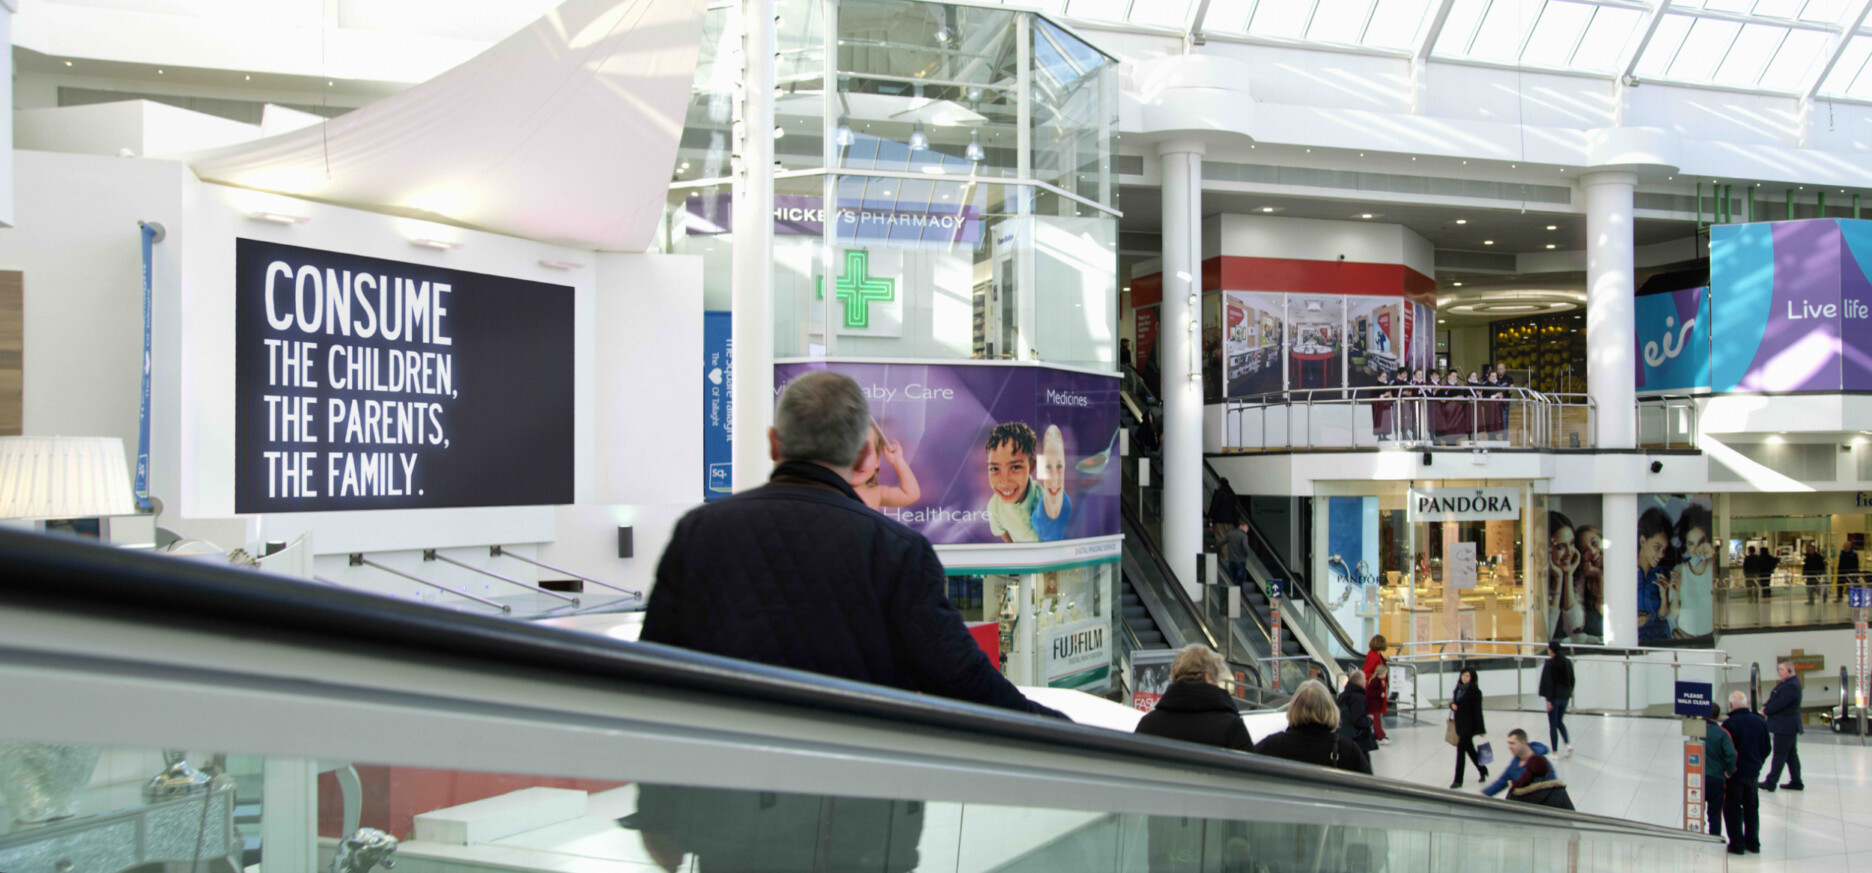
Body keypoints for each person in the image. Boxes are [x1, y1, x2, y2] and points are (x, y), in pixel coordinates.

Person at [637, 371, 1065, 873]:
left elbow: (654, 684)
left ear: (775, 445)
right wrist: (1062, 735)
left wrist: (657, 816)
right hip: (862, 833)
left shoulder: (698, 534)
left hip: (735, 830)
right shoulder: (897, 552)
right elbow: (963, 680)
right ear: (865, 458)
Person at [1135, 644, 1254, 751]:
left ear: (1175, 677)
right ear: (1208, 677)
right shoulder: (1231, 727)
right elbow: (1252, 771)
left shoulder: (1148, 725)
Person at [1253, 680, 1372, 774]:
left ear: (1294, 707)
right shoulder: (1347, 749)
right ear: (1330, 709)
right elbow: (1370, 791)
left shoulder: (1271, 745)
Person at [1724, 690, 1771, 856]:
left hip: (1735, 774)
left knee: (1733, 807)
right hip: (1753, 772)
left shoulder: (1729, 724)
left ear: (1731, 705)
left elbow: (1727, 751)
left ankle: (1737, 844)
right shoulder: (1760, 722)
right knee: (1751, 808)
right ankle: (1753, 843)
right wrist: (1758, 764)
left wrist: (1728, 769)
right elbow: (1767, 747)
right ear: (1747, 704)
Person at [985, 421, 1040, 543]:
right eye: (994, 469)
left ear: (1031, 466)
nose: (1004, 482)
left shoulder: (1043, 501)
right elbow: (1007, 540)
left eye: (1015, 467)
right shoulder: (994, 507)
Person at [851, 422, 921, 511]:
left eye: (865, 452)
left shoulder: (876, 493)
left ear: (877, 460)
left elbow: (910, 494)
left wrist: (898, 461)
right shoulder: (829, 492)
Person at [1760, 660, 1804, 792]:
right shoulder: (1787, 684)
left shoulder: (1791, 686)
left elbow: (1780, 702)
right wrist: (1766, 706)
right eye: (1778, 669)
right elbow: (1775, 697)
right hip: (1786, 725)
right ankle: (1796, 781)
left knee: (1779, 754)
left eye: (1781, 669)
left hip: (1786, 726)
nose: (1779, 672)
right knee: (1790, 755)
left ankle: (1771, 782)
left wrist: (1766, 710)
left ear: (1790, 671)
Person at [1672, 504, 1715, 638]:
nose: (1697, 550)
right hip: (1685, 634)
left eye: (1701, 542)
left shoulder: (1714, 568)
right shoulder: (1679, 570)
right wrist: (1675, 593)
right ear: (1686, 545)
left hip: (1710, 635)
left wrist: (1714, 554)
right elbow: (1674, 612)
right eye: (1691, 544)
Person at [1502, 729, 1574, 809]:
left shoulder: (1515, 793)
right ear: (1547, 770)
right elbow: (1572, 814)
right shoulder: (1558, 792)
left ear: (1528, 770)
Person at [1636, 507, 1675, 641]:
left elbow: (1663, 615)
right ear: (1643, 541)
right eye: (1657, 547)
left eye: (1664, 550)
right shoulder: (1625, 573)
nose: (1661, 555)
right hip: (1634, 642)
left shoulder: (1663, 574)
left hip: (1661, 641)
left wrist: (1664, 597)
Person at [1030, 425, 1073, 542]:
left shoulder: (1068, 504)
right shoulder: (1037, 521)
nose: (1054, 478)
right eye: (1048, 467)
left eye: (1059, 466)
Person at [1480, 730, 1552, 797]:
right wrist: (1484, 794)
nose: (1509, 747)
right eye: (1509, 743)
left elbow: (1553, 786)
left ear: (1523, 743)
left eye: (1513, 743)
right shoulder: (1516, 761)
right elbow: (1502, 781)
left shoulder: (1541, 763)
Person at [1449, 667, 1488, 789]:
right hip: (1460, 724)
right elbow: (1454, 702)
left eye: (1467, 676)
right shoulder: (1458, 689)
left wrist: (1481, 729)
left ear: (1472, 678)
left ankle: (1458, 780)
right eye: (1463, 675)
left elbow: (1478, 711)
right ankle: (1482, 769)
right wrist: (1452, 705)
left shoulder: (1475, 692)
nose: (1464, 678)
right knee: (1470, 749)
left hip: (1469, 726)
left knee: (1461, 750)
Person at [1703, 703, 1737, 840]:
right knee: (1715, 813)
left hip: (1699, 778)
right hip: (1716, 778)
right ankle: (1714, 839)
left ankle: (1695, 836)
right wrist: (1729, 771)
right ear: (1718, 716)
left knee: (1696, 811)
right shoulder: (1722, 733)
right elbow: (1732, 754)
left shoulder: (1696, 731)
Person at [1547, 512, 1582, 642]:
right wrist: (1558, 579)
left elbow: (1575, 629)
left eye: (1572, 543)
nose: (1569, 552)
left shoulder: (1576, 578)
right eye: (1560, 547)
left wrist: (1567, 576)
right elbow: (1546, 635)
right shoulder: (1537, 581)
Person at [1537, 641, 1574, 758]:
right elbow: (1572, 679)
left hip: (1554, 698)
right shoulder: (1567, 662)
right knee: (1559, 721)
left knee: (1553, 724)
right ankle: (1567, 744)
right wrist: (1569, 692)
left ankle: (1554, 752)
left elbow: (1548, 683)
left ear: (1551, 650)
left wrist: (1548, 700)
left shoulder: (1550, 664)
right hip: (1565, 697)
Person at [1336, 669, 1378, 753]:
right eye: (1364, 679)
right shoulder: (1358, 698)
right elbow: (1359, 720)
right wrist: (1369, 719)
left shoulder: (1342, 696)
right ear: (1359, 682)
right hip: (1358, 740)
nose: (1366, 681)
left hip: (1344, 738)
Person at [1576, 524, 1605, 642]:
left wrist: (1599, 576)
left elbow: (1605, 612)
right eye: (1584, 551)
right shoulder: (1582, 581)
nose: (1592, 552)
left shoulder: (1618, 573)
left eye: (1594, 543)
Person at [1363, 635, 1391, 745]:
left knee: (1376, 714)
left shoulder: (1376, 654)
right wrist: (1378, 679)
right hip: (1375, 691)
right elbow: (1368, 672)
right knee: (1375, 714)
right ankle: (1379, 735)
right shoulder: (1374, 656)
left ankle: (1377, 733)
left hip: (1378, 689)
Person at [1223, 519, 1252, 588]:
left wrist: (1214, 548)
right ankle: (1239, 595)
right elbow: (1245, 547)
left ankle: (1231, 594)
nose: (1247, 529)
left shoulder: (1231, 534)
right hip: (1241, 561)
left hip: (1231, 560)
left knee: (1231, 579)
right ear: (1242, 526)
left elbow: (1221, 542)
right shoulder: (1244, 536)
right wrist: (1246, 554)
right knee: (1240, 580)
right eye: (1247, 527)